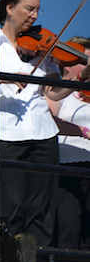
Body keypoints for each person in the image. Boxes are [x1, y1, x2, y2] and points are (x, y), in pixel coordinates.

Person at [0, 0, 90, 247]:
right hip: (8, 134)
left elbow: (52, 93)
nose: (34, 16)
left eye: (37, 10)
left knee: (42, 212)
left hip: (43, 134)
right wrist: (3, 77)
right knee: (11, 208)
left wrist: (82, 76)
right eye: (28, 9)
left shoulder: (44, 48)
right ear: (9, 8)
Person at [45, 37, 90, 250]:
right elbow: (49, 119)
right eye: (83, 60)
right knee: (68, 227)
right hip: (68, 166)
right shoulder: (57, 93)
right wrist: (84, 132)